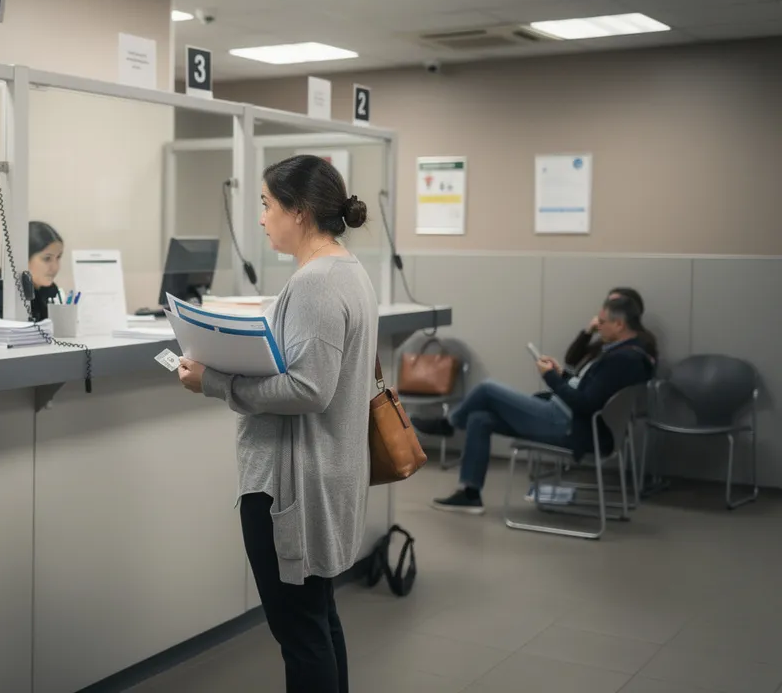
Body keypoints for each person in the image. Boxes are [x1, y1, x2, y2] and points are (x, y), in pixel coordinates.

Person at [175, 155, 376, 693]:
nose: (261, 218)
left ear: (301, 212)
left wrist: (215, 381)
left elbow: (309, 390)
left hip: (294, 487)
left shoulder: (315, 284)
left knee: (301, 633)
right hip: (326, 475)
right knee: (317, 620)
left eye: (267, 204)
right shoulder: (348, 270)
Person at [420, 294, 656, 514]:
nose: (598, 325)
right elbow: (590, 392)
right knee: (479, 418)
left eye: (602, 322)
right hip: (570, 420)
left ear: (619, 325)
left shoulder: (622, 360)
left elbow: (586, 404)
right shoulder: (630, 354)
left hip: (569, 425)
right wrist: (562, 374)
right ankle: (470, 494)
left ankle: (449, 424)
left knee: (487, 388)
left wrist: (550, 378)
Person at [0, 221, 64, 323]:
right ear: (23, 257)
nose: (55, 267)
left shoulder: (49, 290)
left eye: (58, 257)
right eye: (47, 258)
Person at [565, 287, 658, 369]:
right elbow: (571, 360)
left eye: (615, 304)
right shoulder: (607, 339)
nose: (609, 308)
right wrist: (588, 333)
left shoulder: (640, 344)